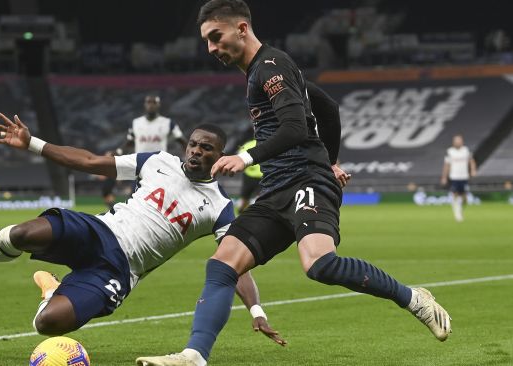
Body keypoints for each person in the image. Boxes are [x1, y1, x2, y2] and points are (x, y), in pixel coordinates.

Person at [136, 1, 451, 365]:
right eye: (207, 41)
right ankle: (194, 355)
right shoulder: (265, 71)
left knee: (319, 264)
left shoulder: (271, 65)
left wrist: (247, 157)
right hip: (276, 189)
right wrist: (332, 160)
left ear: (241, 29)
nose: (211, 48)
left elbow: (296, 128)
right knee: (222, 264)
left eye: (216, 37)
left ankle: (413, 299)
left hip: (305, 179)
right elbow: (327, 107)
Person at [0, 113, 284, 343]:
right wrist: (32, 144)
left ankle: (52, 291)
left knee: (48, 324)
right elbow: (91, 161)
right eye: (193, 144)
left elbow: (234, 265)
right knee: (23, 233)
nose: (196, 151)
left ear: (221, 156)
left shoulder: (219, 208)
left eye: (206, 148)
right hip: (99, 231)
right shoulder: (157, 161)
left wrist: (256, 311)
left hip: (120, 271)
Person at [122, 94, 188, 154]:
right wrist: (119, 152)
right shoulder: (135, 123)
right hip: (140, 163)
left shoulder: (168, 123)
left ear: (159, 104)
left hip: (160, 162)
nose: (151, 105)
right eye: (149, 102)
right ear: (145, 104)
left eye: (154, 102)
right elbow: (129, 142)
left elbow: (182, 141)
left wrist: (188, 156)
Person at [441, 134, 477, 222]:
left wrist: (473, 170)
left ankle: (459, 209)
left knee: (465, 198)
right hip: (454, 177)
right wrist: (444, 177)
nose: (458, 142)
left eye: (459, 140)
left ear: (462, 141)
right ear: (453, 142)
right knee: (455, 195)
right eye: (456, 141)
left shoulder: (466, 150)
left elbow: (471, 161)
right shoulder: (450, 151)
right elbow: (446, 165)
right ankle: (457, 213)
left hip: (464, 177)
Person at [236, 138, 261, 213]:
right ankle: (241, 212)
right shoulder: (266, 144)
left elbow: (240, 158)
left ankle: (242, 212)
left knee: (247, 198)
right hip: (253, 176)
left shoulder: (247, 145)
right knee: (245, 198)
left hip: (254, 176)